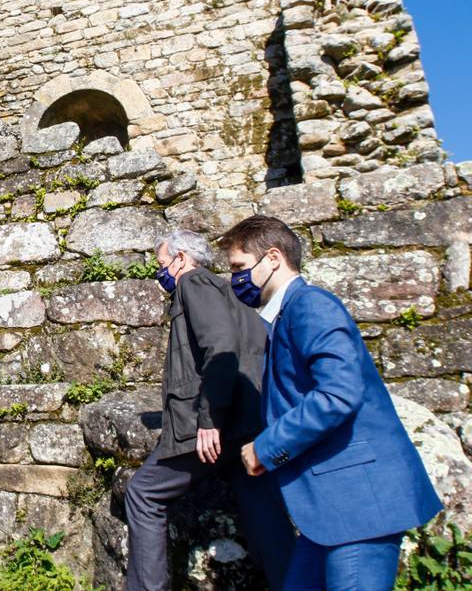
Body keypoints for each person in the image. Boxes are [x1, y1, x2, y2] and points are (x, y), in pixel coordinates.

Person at [221, 215, 442, 590]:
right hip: (328, 515)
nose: (235, 279)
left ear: (272, 258)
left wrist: (267, 447)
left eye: (240, 267)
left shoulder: (311, 307)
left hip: (357, 506)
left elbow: (337, 394)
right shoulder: (287, 316)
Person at [124, 230, 294, 591]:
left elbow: (220, 347)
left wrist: (209, 418)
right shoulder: (232, 293)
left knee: (143, 493)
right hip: (249, 423)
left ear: (181, 258)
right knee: (263, 512)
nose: (161, 273)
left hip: (218, 423)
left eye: (162, 264)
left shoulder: (194, 283)